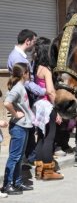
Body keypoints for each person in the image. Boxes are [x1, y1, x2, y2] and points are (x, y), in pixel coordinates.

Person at [7, 29, 46, 168]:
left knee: (28, 127)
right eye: (33, 42)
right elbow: (28, 82)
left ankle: (29, 157)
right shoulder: (18, 58)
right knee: (26, 127)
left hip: (23, 94)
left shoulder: (17, 55)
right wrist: (43, 91)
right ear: (27, 41)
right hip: (24, 95)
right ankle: (28, 158)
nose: (34, 46)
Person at [31, 37, 64, 180]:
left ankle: (39, 170)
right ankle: (48, 172)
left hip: (38, 106)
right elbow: (50, 91)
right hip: (47, 105)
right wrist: (57, 110)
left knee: (41, 138)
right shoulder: (47, 69)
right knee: (49, 138)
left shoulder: (35, 66)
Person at [1, 63, 35, 195]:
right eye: (29, 73)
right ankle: (7, 185)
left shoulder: (21, 87)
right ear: (24, 74)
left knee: (20, 157)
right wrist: (15, 114)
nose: (30, 75)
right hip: (18, 127)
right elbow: (6, 103)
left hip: (24, 126)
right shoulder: (18, 88)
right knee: (14, 157)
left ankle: (17, 183)